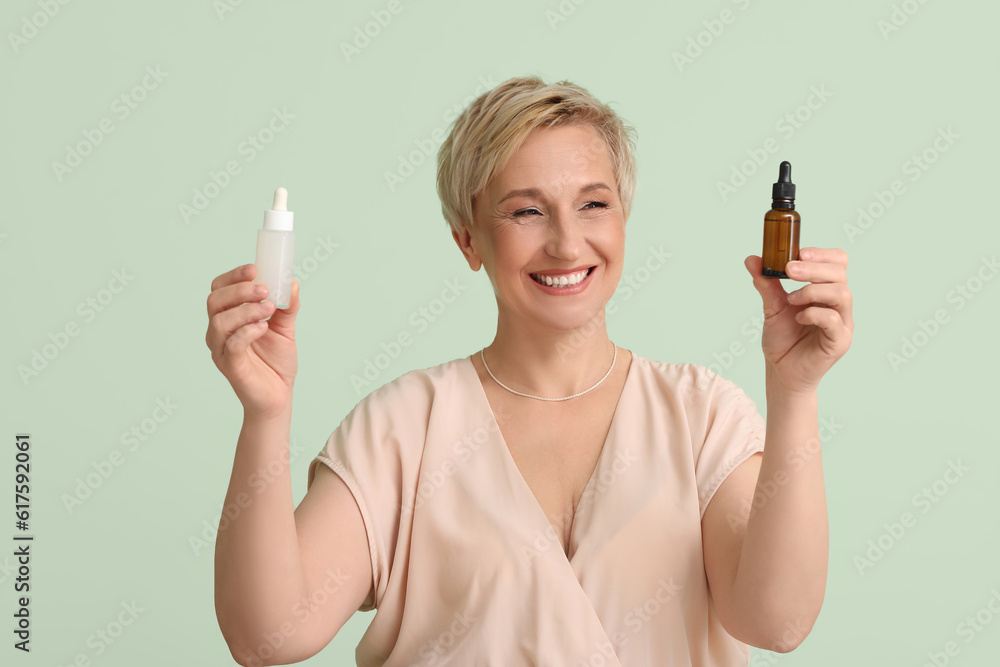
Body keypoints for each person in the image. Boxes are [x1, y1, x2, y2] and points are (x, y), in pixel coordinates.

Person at [207, 76, 853, 666]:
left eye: (593, 204)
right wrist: (264, 414)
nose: (568, 244)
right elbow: (266, 633)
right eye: (526, 210)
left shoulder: (703, 416)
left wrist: (794, 392)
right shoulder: (403, 429)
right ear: (468, 238)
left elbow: (778, 619)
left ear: (624, 218)